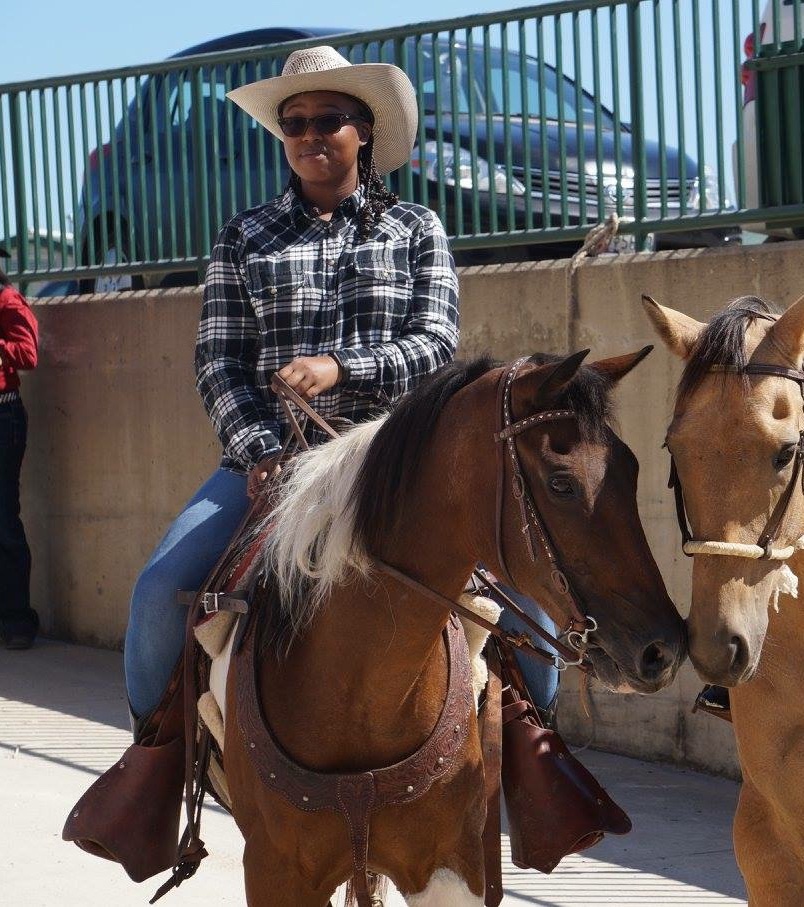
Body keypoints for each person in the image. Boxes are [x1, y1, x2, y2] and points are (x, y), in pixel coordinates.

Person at [64, 46, 460, 880]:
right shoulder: (244, 235)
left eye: (328, 120)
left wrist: (343, 368)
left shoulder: (416, 228)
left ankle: (535, 762)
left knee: (526, 607)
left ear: (366, 131)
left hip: (393, 462)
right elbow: (219, 363)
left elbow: (437, 347)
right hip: (271, 462)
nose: (310, 136)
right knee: (158, 592)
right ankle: (160, 763)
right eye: (295, 124)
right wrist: (262, 456)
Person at [0, 247, 39, 650]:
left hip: (3, 418)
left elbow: (28, 354)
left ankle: (18, 622)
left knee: (4, 521)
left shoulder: (8, 301)